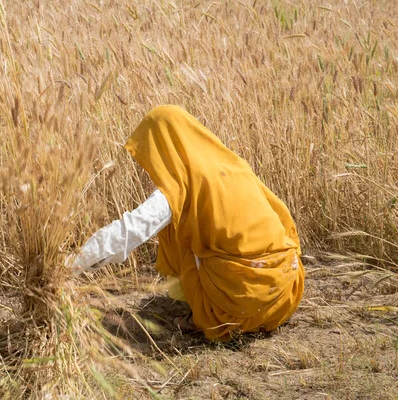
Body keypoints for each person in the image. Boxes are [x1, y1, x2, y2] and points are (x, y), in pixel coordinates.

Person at [68, 105, 304, 341]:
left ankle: (206, 315)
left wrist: (69, 264)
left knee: (177, 225)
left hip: (240, 303)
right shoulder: (232, 164)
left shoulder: (178, 189)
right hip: (285, 290)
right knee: (192, 222)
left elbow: (130, 231)